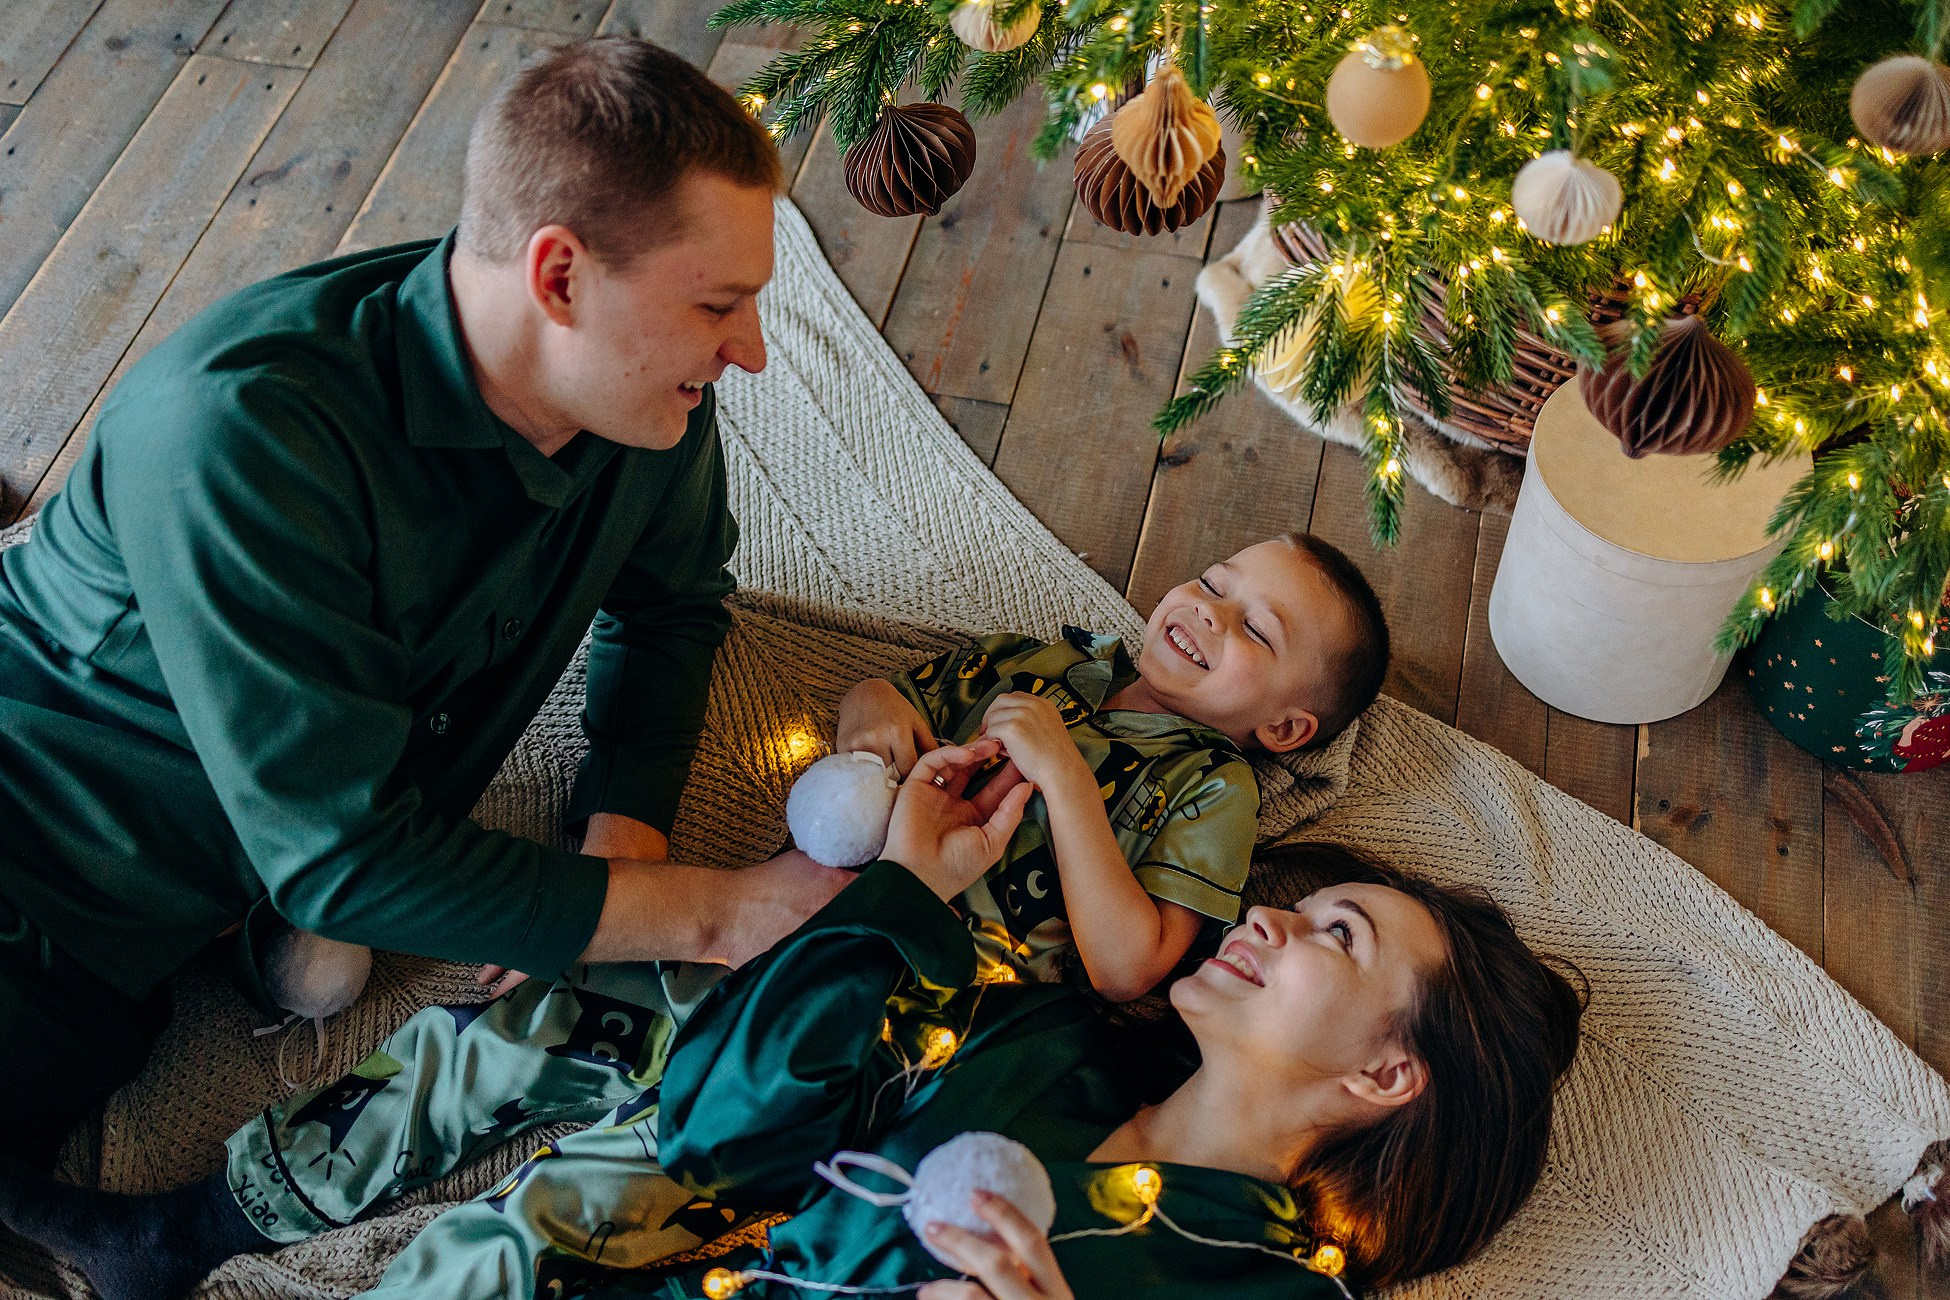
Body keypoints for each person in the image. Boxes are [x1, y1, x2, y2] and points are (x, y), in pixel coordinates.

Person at [0, 36, 853, 1167]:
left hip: (273, 834)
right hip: (46, 851)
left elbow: (673, 605)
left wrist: (627, 833)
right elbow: (345, 858)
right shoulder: (242, 434)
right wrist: (716, 909)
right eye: (717, 305)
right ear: (558, 277)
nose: (747, 351)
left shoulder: (646, 404)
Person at [0, 745, 1584, 1300]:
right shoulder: (1050, 1043)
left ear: (1387, 1071)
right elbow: (717, 1128)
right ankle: (211, 1225)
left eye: (1331, 934)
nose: (1266, 915)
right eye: (1301, 901)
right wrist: (903, 893)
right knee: (539, 1194)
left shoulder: (1270, 1296)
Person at [845, 531, 1389, 999]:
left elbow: (1128, 969)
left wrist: (1065, 775)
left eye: (1256, 630)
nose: (1209, 609)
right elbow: (902, 698)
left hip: (943, 973)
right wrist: (870, 702)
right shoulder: (1053, 661)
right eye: (1213, 584)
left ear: (1283, 728)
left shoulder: (1216, 785)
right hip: (857, 863)